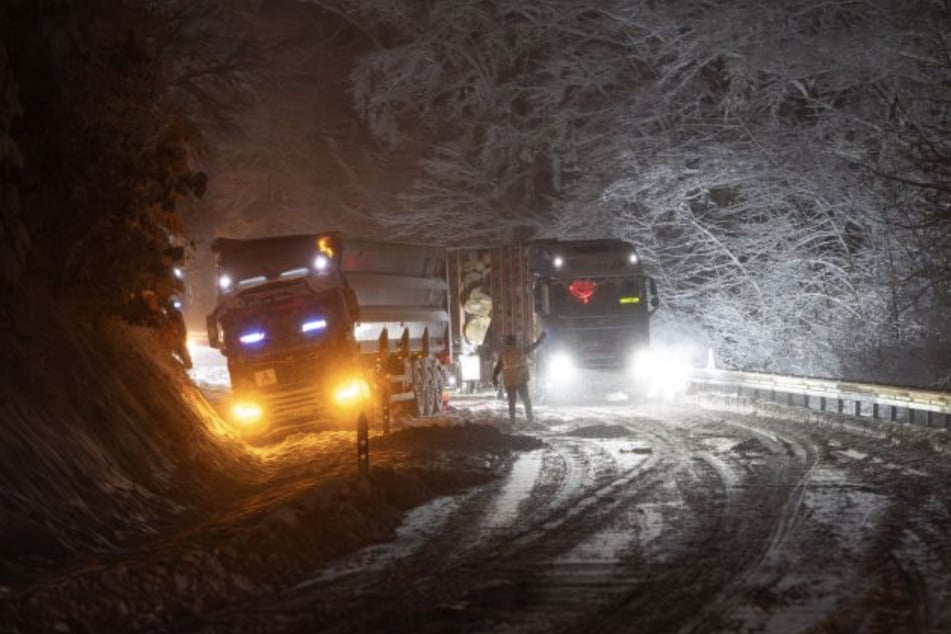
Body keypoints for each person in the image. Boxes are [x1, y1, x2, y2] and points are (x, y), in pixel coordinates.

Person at [492, 331, 547, 425]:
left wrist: (494, 379)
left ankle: (512, 421)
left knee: (512, 402)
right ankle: (530, 419)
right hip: (521, 380)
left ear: (506, 343)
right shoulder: (520, 351)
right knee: (526, 400)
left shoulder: (503, 354)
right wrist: (540, 339)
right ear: (515, 342)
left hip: (510, 382)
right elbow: (532, 347)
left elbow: (497, 368)